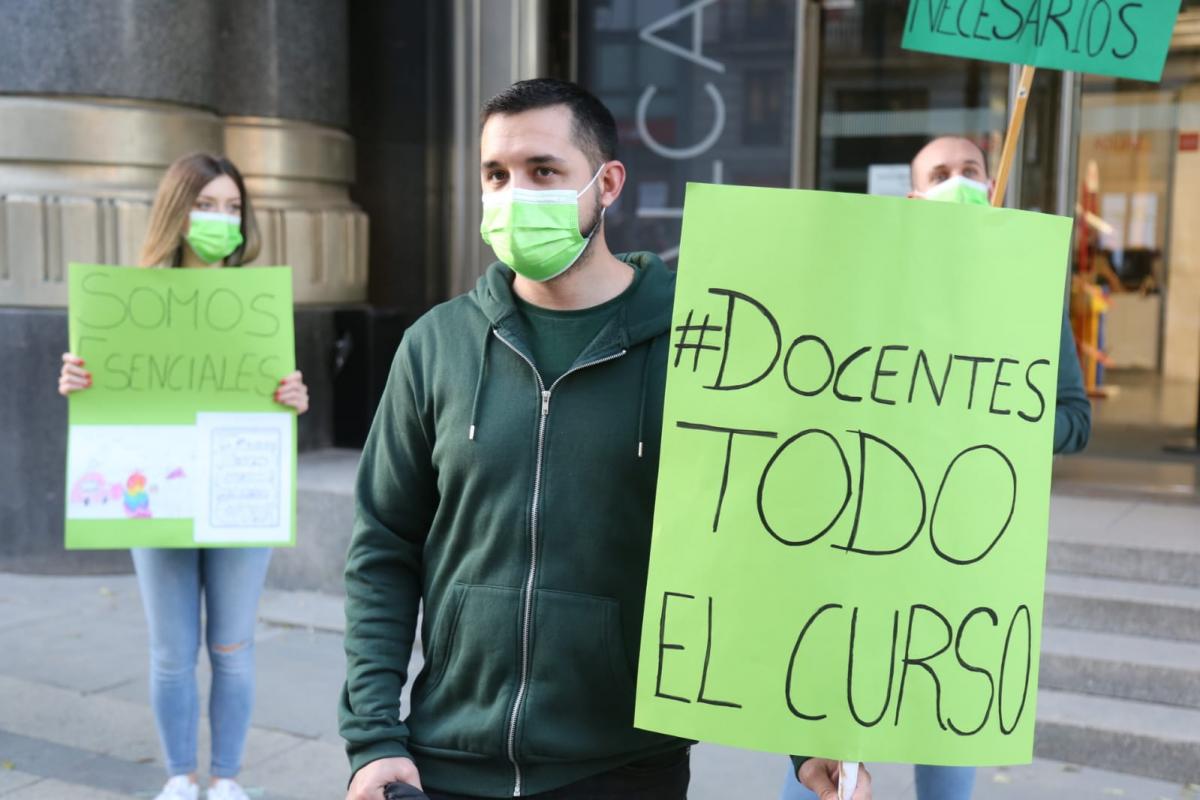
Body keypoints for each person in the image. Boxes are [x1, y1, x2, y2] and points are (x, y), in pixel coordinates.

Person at [339, 78, 871, 800]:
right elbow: (383, 546)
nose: (514, 195)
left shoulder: (704, 349)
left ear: (608, 183)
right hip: (446, 760)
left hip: (625, 768)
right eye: (496, 175)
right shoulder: (435, 345)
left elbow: (759, 548)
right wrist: (373, 739)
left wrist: (807, 735)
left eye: (543, 171)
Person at [779, 135, 1092, 800]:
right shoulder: (872, 288)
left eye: (970, 170)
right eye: (941, 173)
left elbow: (1075, 420)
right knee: (821, 764)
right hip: (864, 548)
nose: (958, 182)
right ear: (914, 197)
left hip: (966, 557)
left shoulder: (1027, 289)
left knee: (949, 742)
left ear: (992, 186)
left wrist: (1000, 416)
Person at [57, 153, 310, 800]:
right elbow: (109, 395)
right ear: (176, 212)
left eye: (232, 208)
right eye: (205, 205)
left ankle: (226, 778)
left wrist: (291, 397)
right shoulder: (126, 304)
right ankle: (180, 776)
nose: (221, 219)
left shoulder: (255, 307)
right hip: (159, 494)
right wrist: (80, 381)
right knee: (171, 652)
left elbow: (268, 399)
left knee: (232, 646)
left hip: (237, 492)